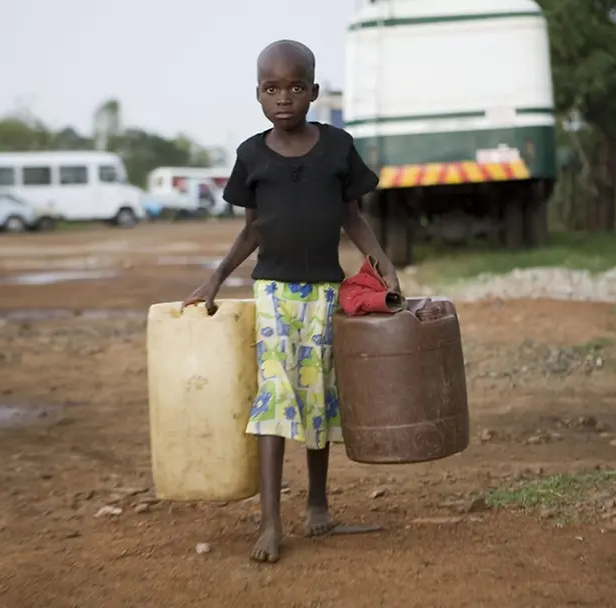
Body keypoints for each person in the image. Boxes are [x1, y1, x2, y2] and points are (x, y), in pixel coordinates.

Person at [182, 39, 399, 564]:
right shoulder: (251, 155)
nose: (284, 98)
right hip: (275, 293)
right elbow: (251, 232)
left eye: (296, 87)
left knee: (319, 396)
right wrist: (215, 278)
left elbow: (352, 217)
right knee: (278, 397)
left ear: (314, 92)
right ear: (257, 94)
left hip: (326, 292)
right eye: (271, 88)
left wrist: (381, 262)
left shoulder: (338, 147)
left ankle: (319, 507)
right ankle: (270, 523)